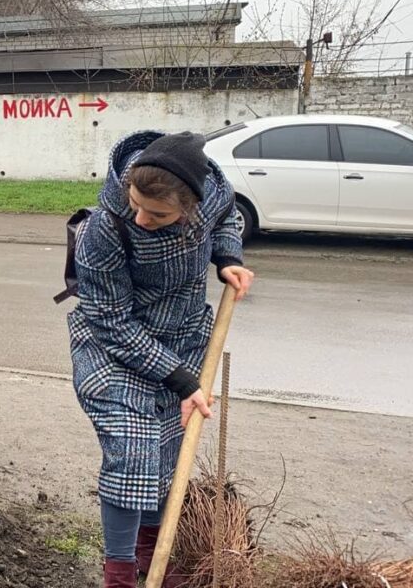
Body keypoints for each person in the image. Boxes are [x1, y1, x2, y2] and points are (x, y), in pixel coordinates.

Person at [65, 131, 254, 587]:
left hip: (184, 339)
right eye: (136, 204)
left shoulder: (212, 195)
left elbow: (226, 218)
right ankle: (121, 575)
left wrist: (227, 257)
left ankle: (156, 562)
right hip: (115, 348)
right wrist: (182, 381)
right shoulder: (103, 230)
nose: (142, 218)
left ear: (191, 206)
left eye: (158, 214)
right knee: (132, 451)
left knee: (167, 457)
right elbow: (111, 320)